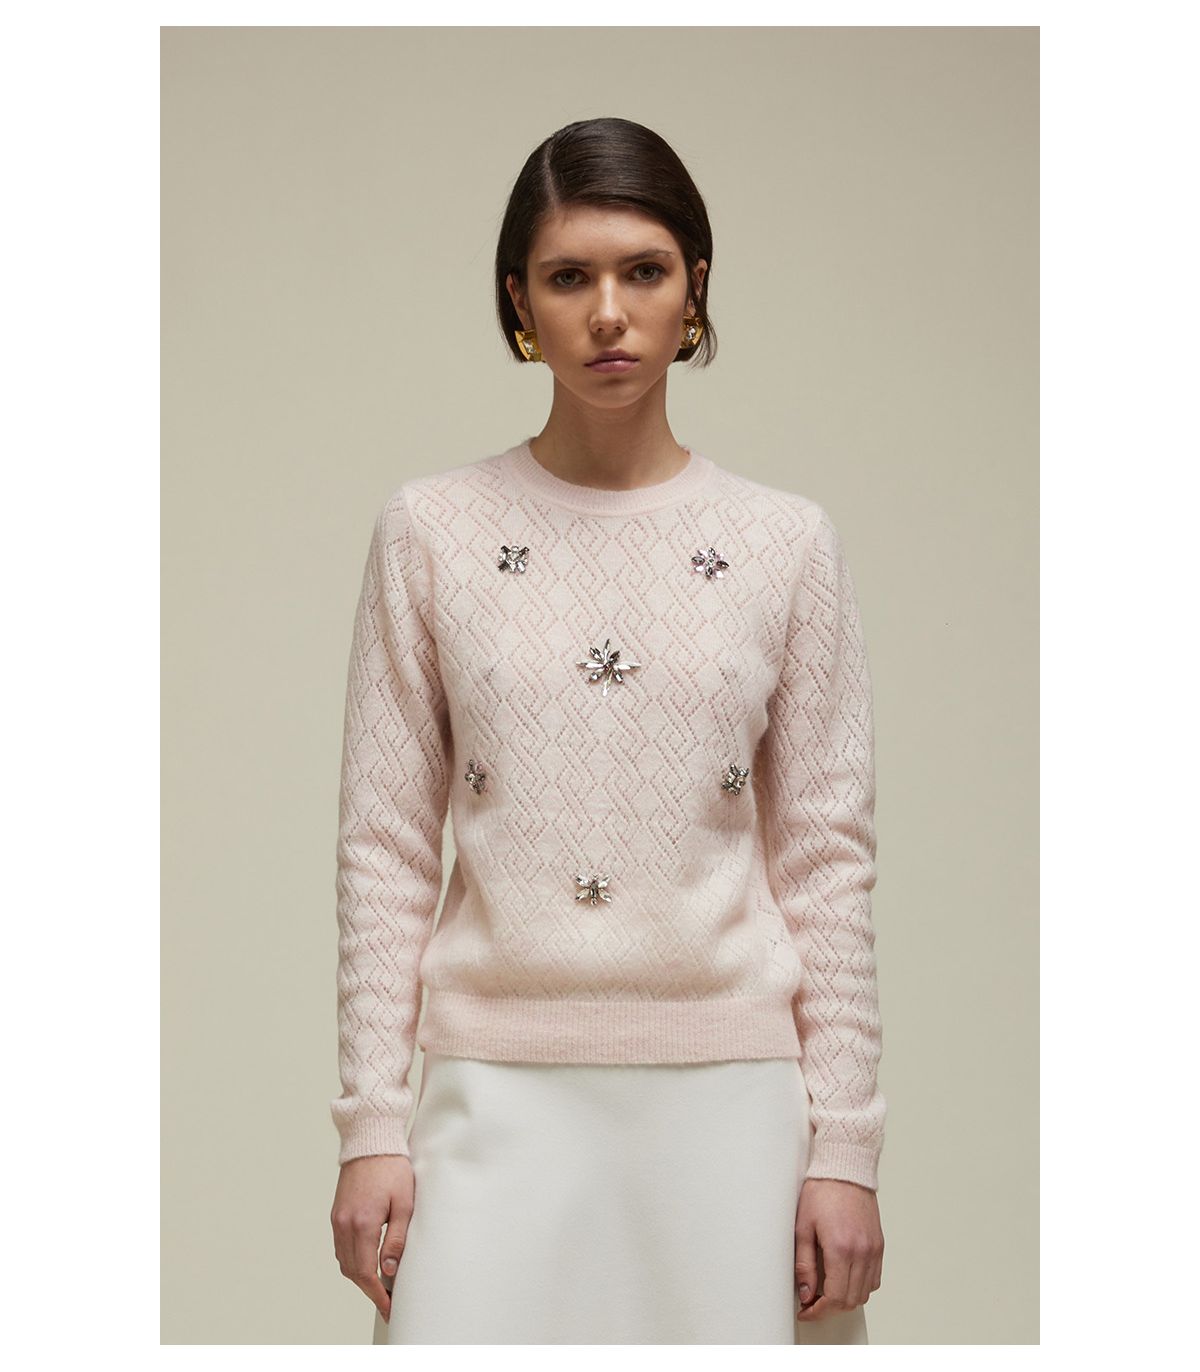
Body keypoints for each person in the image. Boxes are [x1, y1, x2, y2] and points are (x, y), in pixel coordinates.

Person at [328, 116, 886, 1345]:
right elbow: (384, 847)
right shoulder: (430, 532)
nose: (610, 312)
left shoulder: (786, 544)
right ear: (518, 302)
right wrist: (372, 1125)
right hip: (490, 1090)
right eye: (569, 276)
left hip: (733, 1103)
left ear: (696, 289)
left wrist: (845, 1145)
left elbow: (825, 858)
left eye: (644, 270)